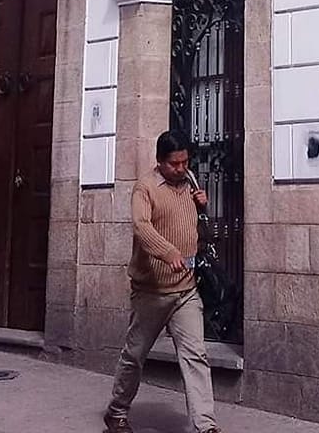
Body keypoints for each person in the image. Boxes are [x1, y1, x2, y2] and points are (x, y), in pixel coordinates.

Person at [105, 130, 218, 433]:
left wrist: (202, 206)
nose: (181, 169)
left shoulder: (190, 180)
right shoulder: (145, 188)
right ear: (159, 162)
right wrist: (167, 251)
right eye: (174, 164)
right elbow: (141, 227)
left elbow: (198, 226)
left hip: (186, 292)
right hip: (152, 292)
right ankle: (116, 413)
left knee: (196, 356)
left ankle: (205, 425)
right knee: (134, 355)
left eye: (185, 162)